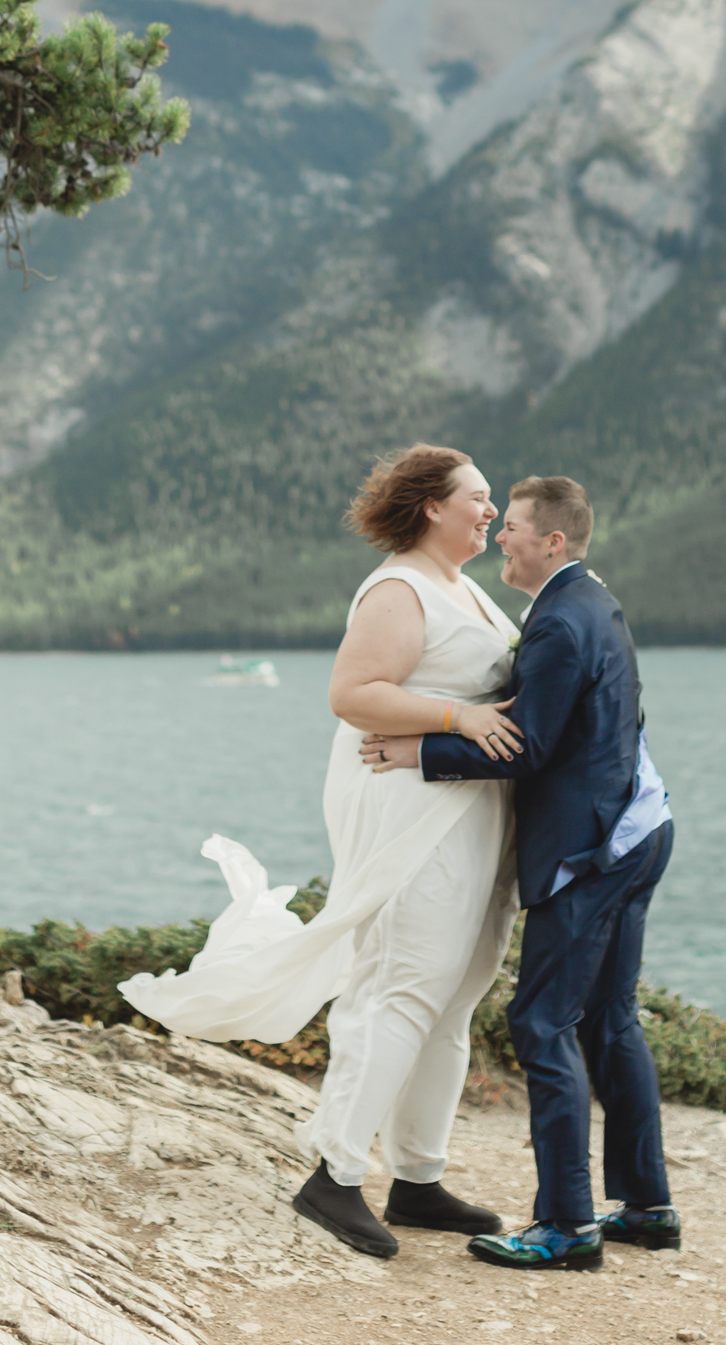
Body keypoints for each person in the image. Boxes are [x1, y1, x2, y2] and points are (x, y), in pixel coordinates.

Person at [119, 444, 526, 1260]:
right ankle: (334, 1177)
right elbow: (353, 695)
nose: (491, 512)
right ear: (429, 506)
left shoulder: (465, 588)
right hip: (414, 805)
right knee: (403, 985)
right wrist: (461, 721)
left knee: (454, 996)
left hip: (472, 807)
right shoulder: (397, 587)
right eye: (477, 498)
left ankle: (417, 1178)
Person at [362, 475, 677, 1272]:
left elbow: (528, 745)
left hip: (590, 847)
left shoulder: (559, 624)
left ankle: (567, 1226)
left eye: (517, 528)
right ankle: (646, 1206)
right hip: (640, 825)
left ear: (554, 543)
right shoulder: (591, 602)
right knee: (610, 1020)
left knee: (541, 1024)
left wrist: (418, 750)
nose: (501, 535)